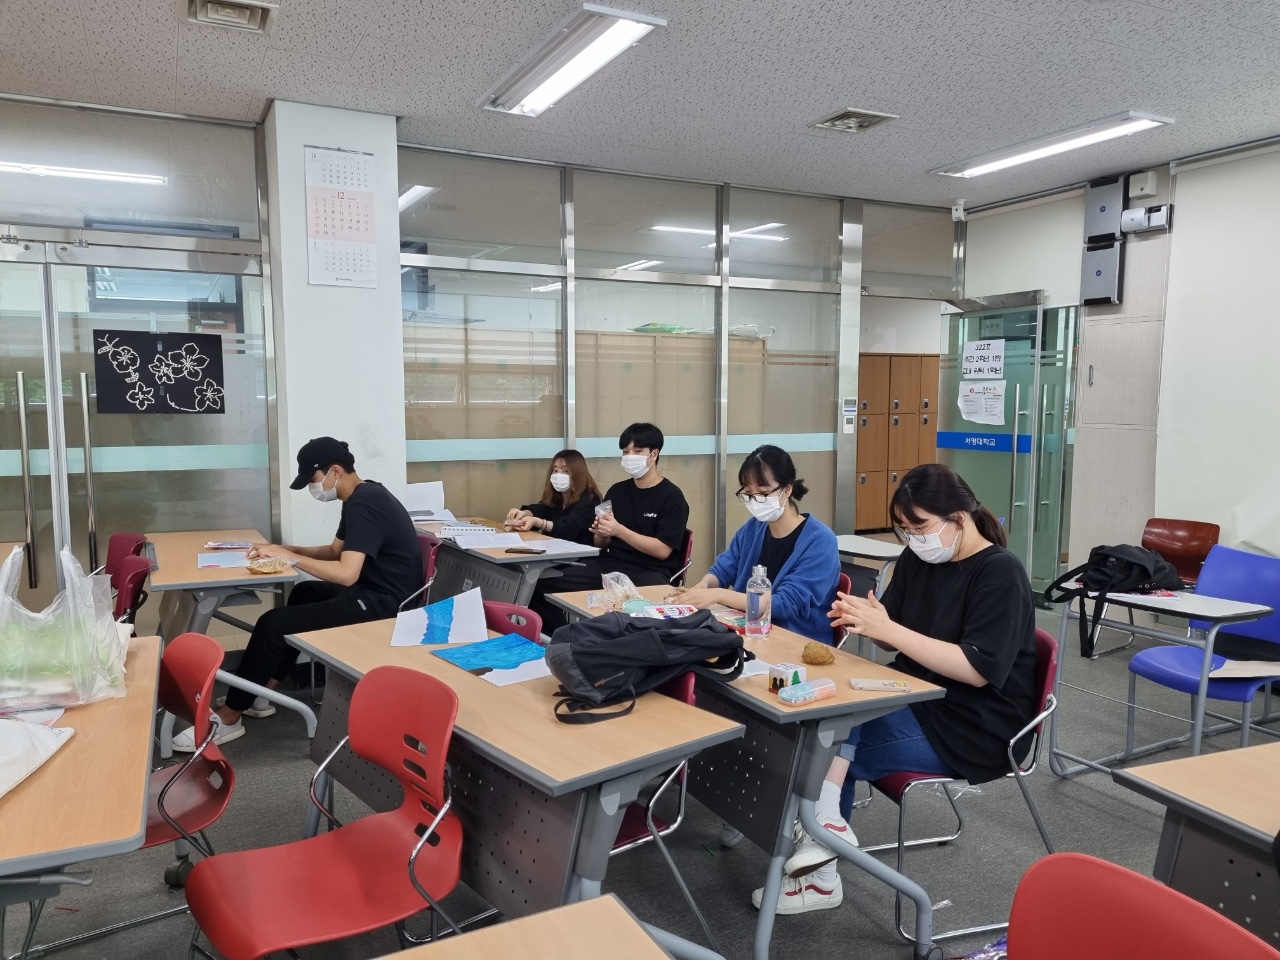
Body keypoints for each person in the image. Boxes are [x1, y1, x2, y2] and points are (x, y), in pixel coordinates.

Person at [752, 462, 1037, 915]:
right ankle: (826, 830)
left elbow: (976, 670)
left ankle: (823, 857)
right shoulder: (920, 558)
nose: (913, 539)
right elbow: (893, 634)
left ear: (959, 518)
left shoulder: (1000, 573)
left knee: (825, 741)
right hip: (915, 693)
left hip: (973, 723)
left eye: (920, 527)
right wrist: (867, 620)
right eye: (904, 529)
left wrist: (890, 631)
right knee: (828, 709)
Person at [173, 437, 423, 750]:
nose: (312, 488)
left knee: (272, 623)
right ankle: (263, 691)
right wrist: (284, 549)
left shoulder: (365, 503)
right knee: (304, 592)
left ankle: (229, 717)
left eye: (313, 479)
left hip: (386, 605)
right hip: (370, 591)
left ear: (335, 471)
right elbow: (335, 551)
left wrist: (290, 558)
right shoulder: (359, 496)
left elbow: (346, 573)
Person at [532, 422, 690, 632]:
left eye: (637, 451)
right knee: (538, 584)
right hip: (609, 566)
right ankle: (561, 635)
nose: (630, 456)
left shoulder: (672, 497)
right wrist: (602, 533)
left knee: (626, 613)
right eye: (625, 451)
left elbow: (662, 551)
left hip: (649, 573)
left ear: (654, 454)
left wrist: (619, 530)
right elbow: (601, 543)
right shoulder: (617, 491)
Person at [673, 445, 839, 642]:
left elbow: (784, 605)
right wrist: (704, 585)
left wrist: (717, 595)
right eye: (749, 494)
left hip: (794, 640)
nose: (755, 501)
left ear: (787, 489)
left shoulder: (820, 541)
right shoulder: (754, 528)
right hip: (746, 631)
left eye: (764, 493)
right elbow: (723, 569)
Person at [505, 450, 602, 545]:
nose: (558, 475)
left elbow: (569, 527)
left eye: (565, 471)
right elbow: (542, 509)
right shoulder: (558, 496)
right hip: (553, 548)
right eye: (555, 471)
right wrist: (524, 513)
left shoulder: (590, 499)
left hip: (580, 552)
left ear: (578, 473)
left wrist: (537, 522)